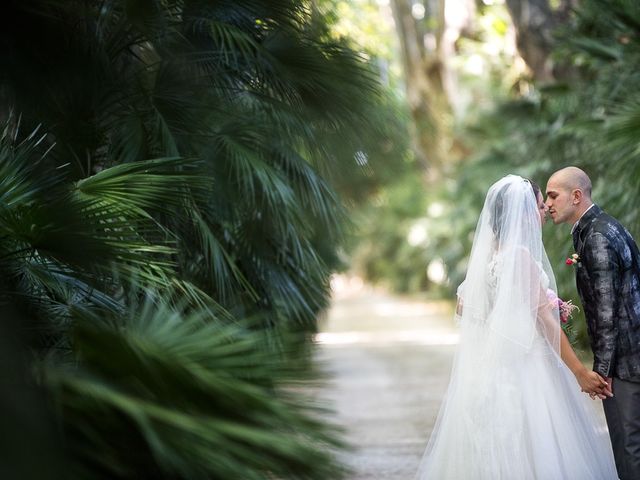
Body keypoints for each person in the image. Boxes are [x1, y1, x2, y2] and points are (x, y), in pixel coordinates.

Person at [416, 174, 617, 479]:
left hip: (493, 368)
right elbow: (546, 324)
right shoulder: (519, 255)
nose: (544, 213)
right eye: (538, 206)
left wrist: (503, 310)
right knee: (534, 441)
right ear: (522, 212)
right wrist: (580, 372)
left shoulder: (490, 254)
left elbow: (463, 305)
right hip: (526, 368)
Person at [546, 166, 640, 480]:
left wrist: (602, 369)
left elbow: (607, 311)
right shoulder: (601, 227)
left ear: (576, 196)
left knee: (628, 447)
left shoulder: (597, 236)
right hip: (629, 357)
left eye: (553, 195)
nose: (548, 204)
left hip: (626, 363)